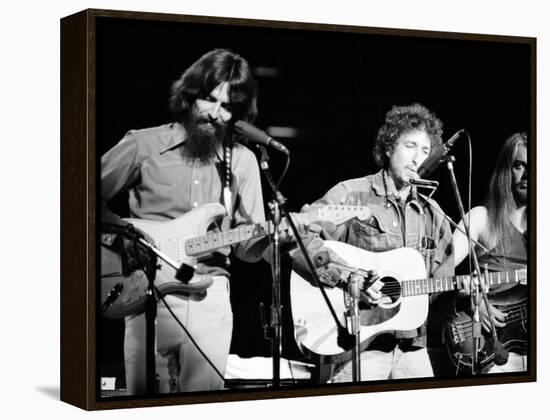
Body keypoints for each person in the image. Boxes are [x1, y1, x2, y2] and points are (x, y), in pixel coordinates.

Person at [101, 49, 266, 394]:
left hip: (211, 292)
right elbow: (74, 197)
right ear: (190, 93)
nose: (215, 113)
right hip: (147, 292)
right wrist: (121, 235)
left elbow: (248, 250)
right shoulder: (143, 144)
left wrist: (276, 237)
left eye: (227, 107)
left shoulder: (243, 161)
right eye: (209, 99)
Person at [291, 103, 454, 382]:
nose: (418, 158)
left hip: (413, 346)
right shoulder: (352, 193)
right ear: (389, 146)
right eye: (410, 146)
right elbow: (298, 237)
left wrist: (467, 289)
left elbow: (438, 280)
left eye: (425, 151)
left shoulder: (434, 213)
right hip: (358, 346)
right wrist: (347, 278)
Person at [452, 132, 528, 373]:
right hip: (493, 346)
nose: (528, 175)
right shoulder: (480, 218)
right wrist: (475, 303)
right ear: (506, 171)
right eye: (519, 166)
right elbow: (436, 274)